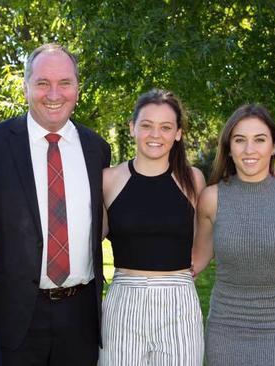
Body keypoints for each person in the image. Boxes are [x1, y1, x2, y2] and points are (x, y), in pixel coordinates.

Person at [0, 44, 110, 365]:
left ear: (77, 89)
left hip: (81, 315)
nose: (54, 93)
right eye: (42, 83)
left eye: (65, 83)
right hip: (15, 317)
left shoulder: (97, 149)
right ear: (26, 87)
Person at [192, 104, 275, 365]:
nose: (249, 150)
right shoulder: (212, 198)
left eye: (260, 140)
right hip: (225, 327)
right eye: (239, 140)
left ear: (273, 147)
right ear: (228, 147)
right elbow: (195, 262)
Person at [99, 89, 206, 365]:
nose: (155, 134)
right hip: (124, 300)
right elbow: (86, 240)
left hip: (178, 301)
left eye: (166, 127)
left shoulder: (192, 180)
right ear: (133, 127)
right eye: (146, 125)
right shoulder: (109, 180)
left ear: (178, 133)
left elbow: (209, 234)